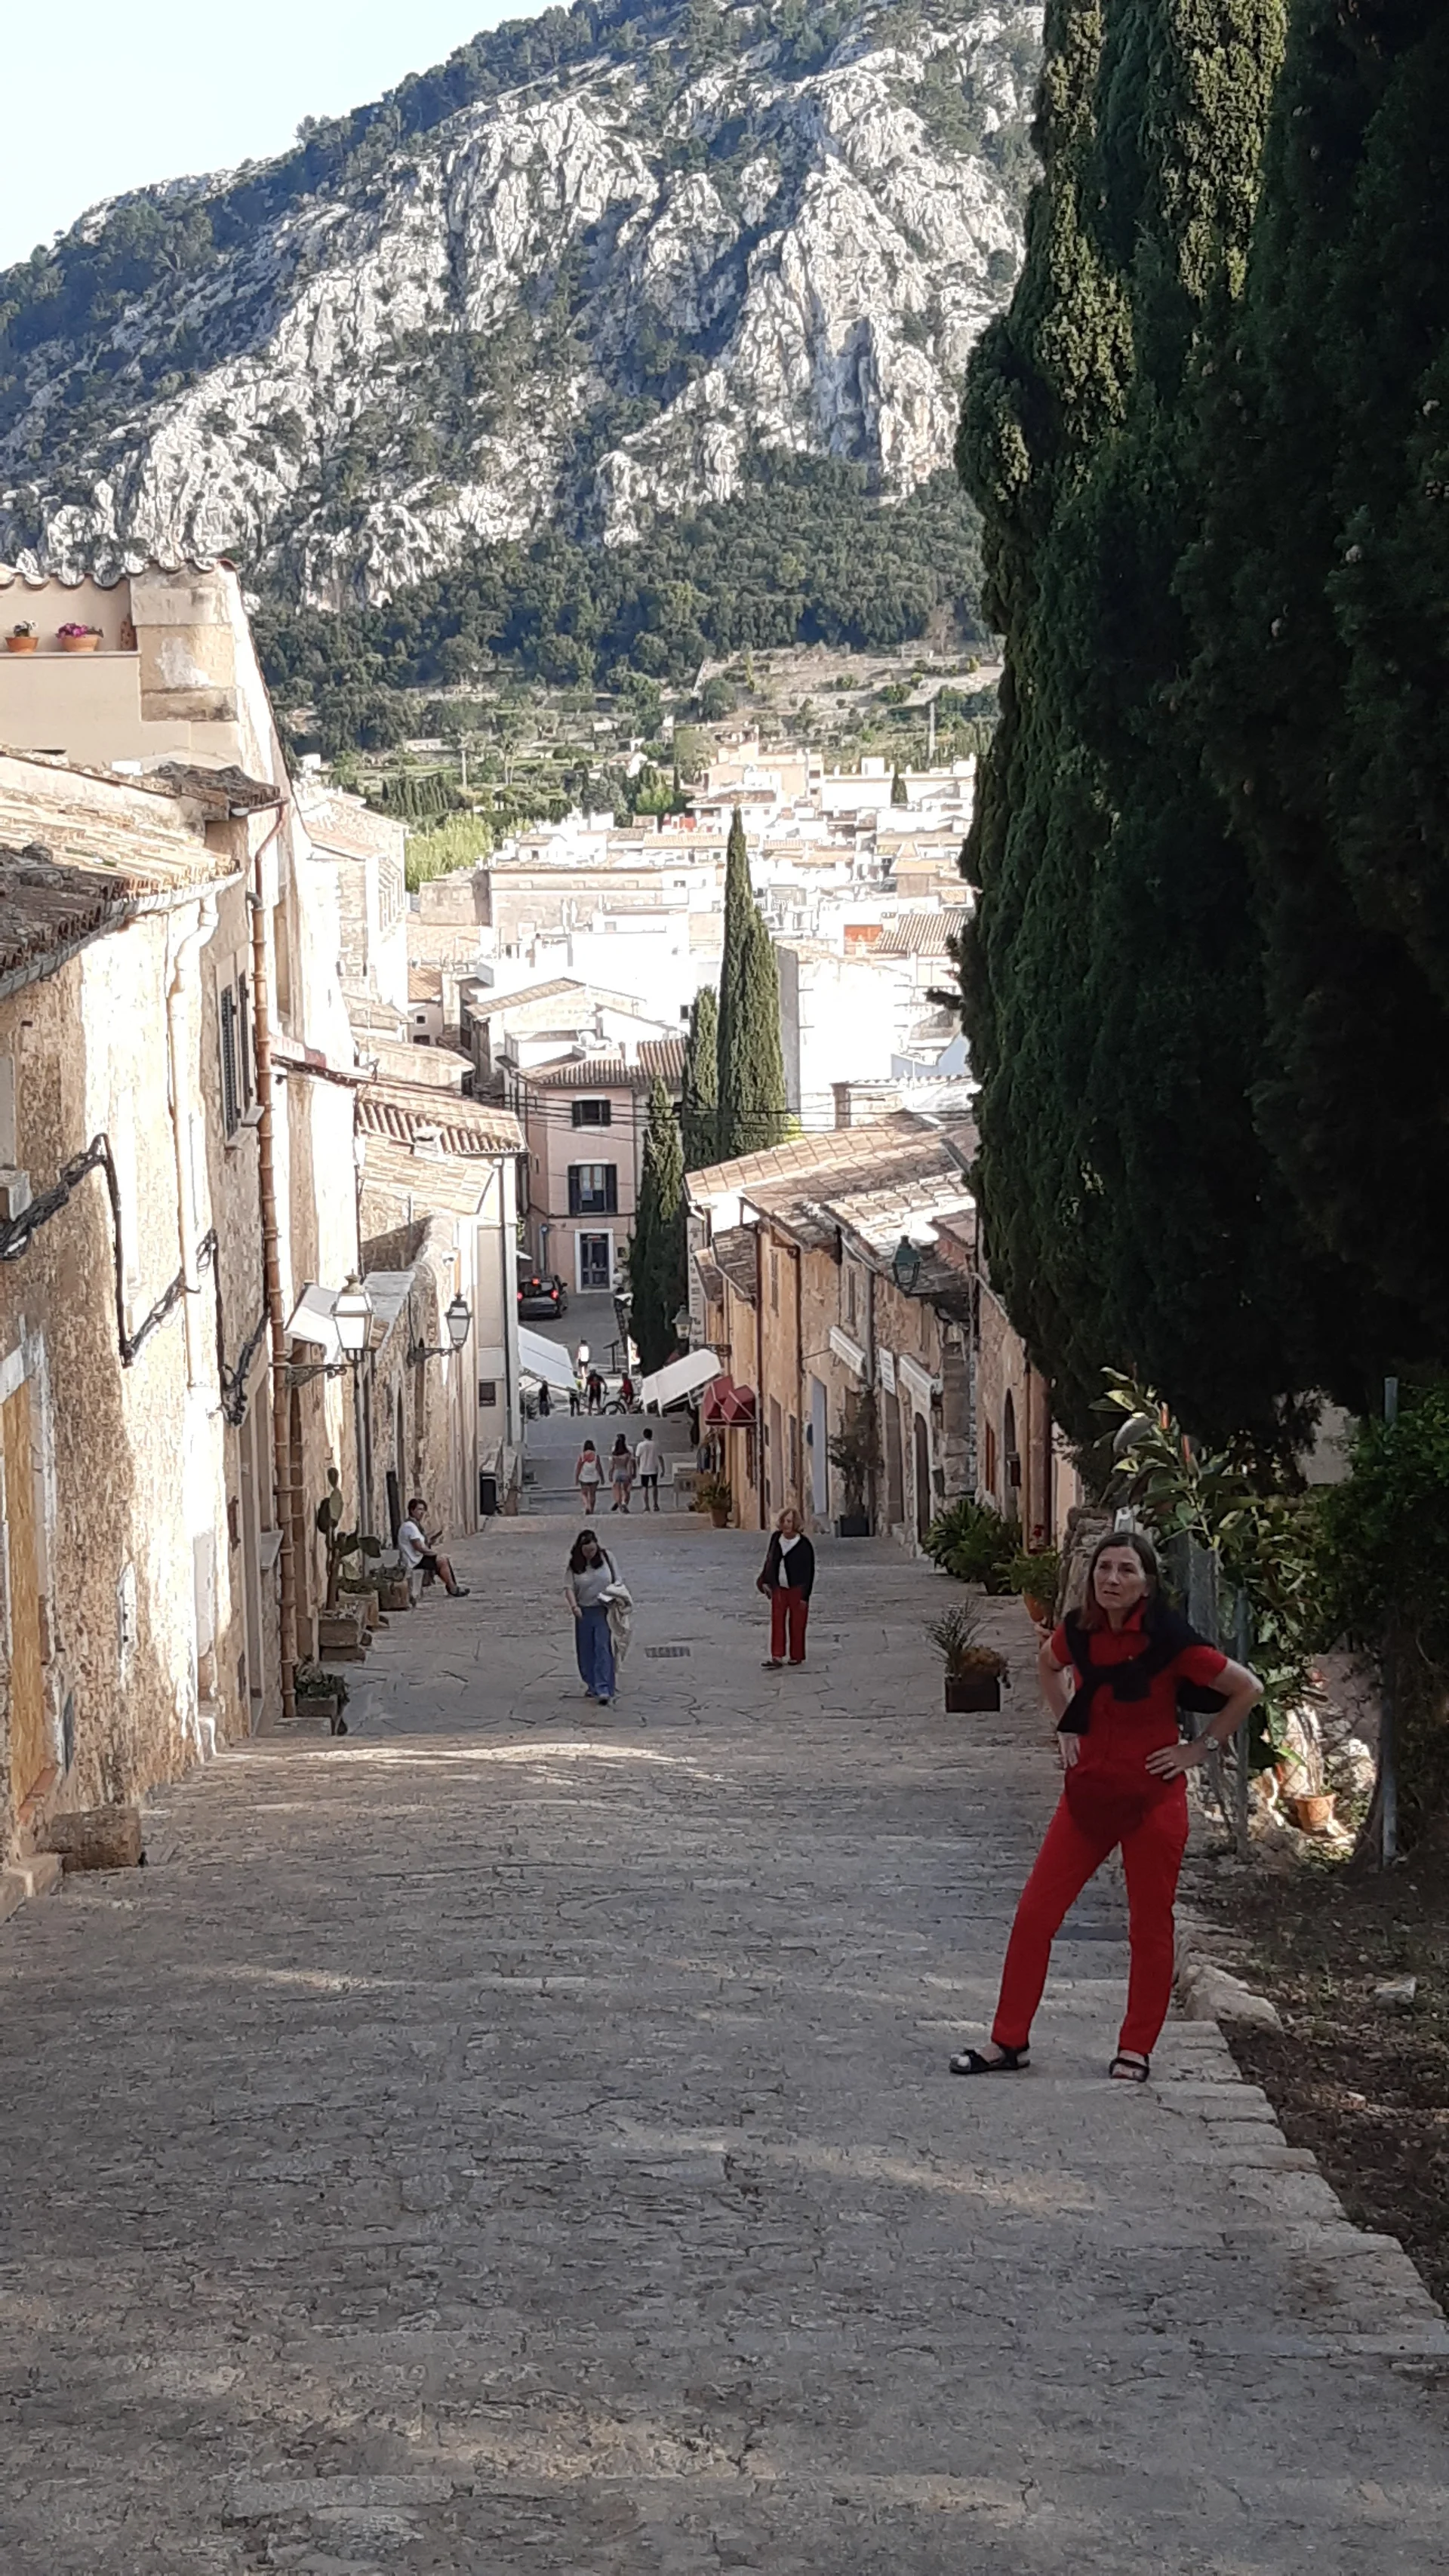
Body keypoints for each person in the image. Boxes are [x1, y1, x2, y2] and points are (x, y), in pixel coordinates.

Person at [951, 1529, 1263, 2085]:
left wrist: (1200, 1747)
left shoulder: (1171, 1639)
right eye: (1104, 1569)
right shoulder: (1080, 1631)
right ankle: (1008, 2040)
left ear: (1146, 1583)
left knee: (1149, 1927)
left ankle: (1136, 2047)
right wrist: (1066, 1724)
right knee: (1034, 1917)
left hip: (1152, 1803)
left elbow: (1247, 1688)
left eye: (1126, 1570)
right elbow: (1046, 1665)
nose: (1112, 1579)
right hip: (1087, 1800)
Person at [566, 1526, 618, 1706]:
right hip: (584, 1611)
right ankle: (592, 1683)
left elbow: (617, 1580)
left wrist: (613, 1599)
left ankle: (604, 1687)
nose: (590, 1554)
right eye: (586, 1551)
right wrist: (574, 1607)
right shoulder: (575, 1566)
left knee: (603, 1648)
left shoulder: (607, 1558)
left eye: (592, 1550)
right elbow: (569, 1587)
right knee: (586, 1650)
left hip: (603, 1610)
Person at [757, 1507, 815, 1668]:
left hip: (798, 1588)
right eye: (784, 1521)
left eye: (789, 1521)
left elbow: (810, 1571)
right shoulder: (776, 1538)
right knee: (777, 1621)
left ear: (795, 1524)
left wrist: (805, 1596)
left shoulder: (804, 1545)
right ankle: (777, 1656)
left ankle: (796, 1655)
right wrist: (765, 1580)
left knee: (797, 1623)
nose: (786, 1525)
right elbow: (770, 1560)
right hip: (779, 1588)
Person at [397, 1497, 469, 1597]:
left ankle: (452, 1586)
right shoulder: (410, 1526)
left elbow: (421, 1542)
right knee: (442, 1560)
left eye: (423, 1510)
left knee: (443, 1559)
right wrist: (433, 1554)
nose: (422, 1513)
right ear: (412, 1510)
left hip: (416, 1558)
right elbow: (418, 1547)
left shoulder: (414, 1525)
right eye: (419, 1509)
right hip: (413, 1561)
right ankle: (452, 1588)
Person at [635, 1426, 663, 1511]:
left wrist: (639, 1466)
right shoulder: (655, 1444)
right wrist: (663, 1468)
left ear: (644, 1435)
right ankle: (655, 1504)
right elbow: (660, 1457)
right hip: (654, 1467)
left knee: (644, 1487)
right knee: (654, 1486)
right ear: (651, 1435)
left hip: (644, 1469)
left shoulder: (640, 1445)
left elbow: (637, 1457)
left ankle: (646, 1506)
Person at [609, 1433, 636, 1513]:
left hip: (617, 1473)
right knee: (626, 1491)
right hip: (625, 1473)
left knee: (617, 1492)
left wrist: (610, 1475)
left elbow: (612, 1467)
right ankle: (625, 1503)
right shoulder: (628, 1454)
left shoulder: (614, 1454)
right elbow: (630, 1465)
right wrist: (631, 1475)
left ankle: (620, 1506)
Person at [575, 1439, 602, 1514]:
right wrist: (602, 1478)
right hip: (594, 1478)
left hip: (584, 1478)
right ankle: (592, 1510)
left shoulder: (582, 1456)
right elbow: (599, 1468)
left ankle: (587, 1506)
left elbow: (578, 1468)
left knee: (584, 1493)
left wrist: (576, 1478)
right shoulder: (596, 1456)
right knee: (593, 1494)